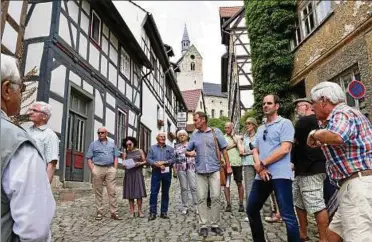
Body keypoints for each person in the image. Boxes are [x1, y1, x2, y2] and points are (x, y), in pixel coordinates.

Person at [307, 81, 372, 242]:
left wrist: (314, 133)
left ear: (323, 100)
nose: (312, 108)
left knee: (359, 237)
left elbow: (337, 136)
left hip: (358, 186)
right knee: (332, 236)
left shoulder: (341, 113)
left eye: (313, 103)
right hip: (353, 185)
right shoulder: (343, 115)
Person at [1, 53, 56, 241]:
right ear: (6, 90)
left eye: (35, 110)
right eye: (21, 87)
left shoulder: (48, 136)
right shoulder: (19, 135)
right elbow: (34, 231)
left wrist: (43, 187)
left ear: (45, 116)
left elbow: (51, 162)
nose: (30, 110)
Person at [247, 94, 300, 242]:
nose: (265, 106)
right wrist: (260, 168)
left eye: (269, 103)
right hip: (262, 175)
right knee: (251, 209)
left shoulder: (285, 123)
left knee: (287, 215)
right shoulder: (261, 128)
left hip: (281, 175)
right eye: (264, 103)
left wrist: (262, 163)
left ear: (277, 106)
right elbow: (255, 149)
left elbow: (285, 149)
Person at [186, 111, 232, 237]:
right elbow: (187, 150)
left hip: (215, 169)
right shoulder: (194, 135)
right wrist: (190, 153)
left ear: (203, 120)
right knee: (201, 198)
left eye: (195, 120)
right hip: (200, 171)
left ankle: (215, 224)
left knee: (216, 197)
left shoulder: (216, 132)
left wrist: (228, 166)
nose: (194, 123)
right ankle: (203, 225)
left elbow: (224, 150)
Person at [292, 98, 329, 242]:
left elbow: (292, 141)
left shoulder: (306, 121)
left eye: (298, 107)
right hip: (303, 169)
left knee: (317, 205)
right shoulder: (317, 121)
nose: (296, 110)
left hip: (310, 169)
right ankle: (303, 233)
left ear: (306, 107)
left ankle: (323, 238)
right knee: (299, 202)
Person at [86, 127, 122, 221]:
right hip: (98, 168)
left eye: (102, 132)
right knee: (98, 192)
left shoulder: (112, 144)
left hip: (110, 168)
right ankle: (99, 212)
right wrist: (92, 169)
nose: (100, 134)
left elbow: (116, 156)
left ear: (106, 133)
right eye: (98, 133)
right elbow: (89, 158)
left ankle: (114, 213)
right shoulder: (93, 144)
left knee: (112, 191)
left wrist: (115, 168)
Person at [25, 101, 60, 183]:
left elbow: (51, 164)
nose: (30, 112)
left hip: (35, 179)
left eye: (35, 111)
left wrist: (46, 187)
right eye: (30, 110)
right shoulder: (26, 131)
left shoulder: (50, 135)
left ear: (44, 116)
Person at [147, 132, 175, 221]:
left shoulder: (170, 149)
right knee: (154, 192)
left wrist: (164, 163)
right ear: (157, 138)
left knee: (165, 192)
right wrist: (156, 164)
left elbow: (173, 159)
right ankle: (152, 213)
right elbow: (148, 159)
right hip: (156, 171)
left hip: (167, 172)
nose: (163, 138)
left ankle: (164, 212)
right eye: (161, 137)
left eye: (164, 137)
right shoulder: (152, 148)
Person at [121, 136, 147, 218]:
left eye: (129, 144)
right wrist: (124, 165)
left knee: (139, 193)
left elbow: (145, 161)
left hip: (137, 173)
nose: (128, 146)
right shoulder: (125, 152)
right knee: (130, 193)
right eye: (127, 145)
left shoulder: (140, 151)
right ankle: (132, 211)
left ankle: (140, 211)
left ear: (133, 143)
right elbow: (123, 164)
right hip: (129, 174)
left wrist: (139, 163)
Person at [173, 129, 198, 215]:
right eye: (180, 135)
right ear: (178, 137)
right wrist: (174, 170)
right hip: (181, 168)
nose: (182, 136)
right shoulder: (176, 146)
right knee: (184, 188)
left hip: (191, 167)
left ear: (187, 136)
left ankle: (196, 206)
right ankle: (185, 206)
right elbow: (174, 159)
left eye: (183, 135)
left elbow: (197, 155)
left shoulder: (192, 145)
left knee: (193, 187)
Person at [223, 122, 245, 212]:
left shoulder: (238, 137)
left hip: (237, 163)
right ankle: (228, 204)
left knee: (239, 183)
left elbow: (241, 149)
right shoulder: (223, 138)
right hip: (227, 163)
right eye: (225, 128)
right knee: (226, 185)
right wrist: (234, 145)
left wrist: (233, 137)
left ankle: (241, 203)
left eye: (228, 127)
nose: (226, 129)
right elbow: (224, 148)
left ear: (232, 128)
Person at [240, 117, 258, 222]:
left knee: (263, 187)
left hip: (258, 163)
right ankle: (250, 213)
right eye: (246, 123)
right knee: (249, 189)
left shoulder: (259, 136)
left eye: (249, 123)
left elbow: (258, 149)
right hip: (247, 164)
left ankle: (267, 212)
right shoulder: (244, 137)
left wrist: (247, 152)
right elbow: (242, 149)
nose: (247, 125)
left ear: (254, 125)